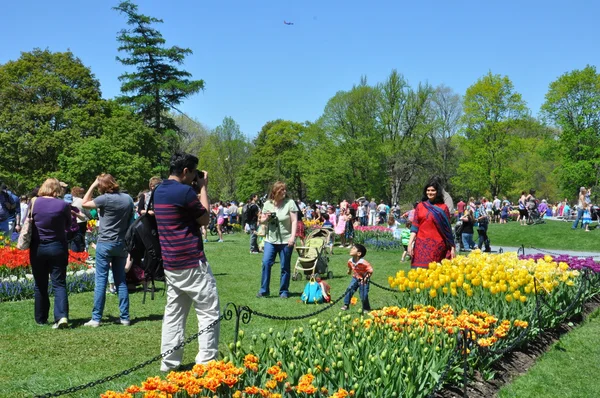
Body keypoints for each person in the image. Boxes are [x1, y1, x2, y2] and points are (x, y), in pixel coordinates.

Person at [153, 151, 220, 371]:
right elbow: (205, 219)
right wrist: (203, 188)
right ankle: (207, 361)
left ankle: (169, 362)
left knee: (174, 313)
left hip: (171, 262)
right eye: (193, 173)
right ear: (185, 171)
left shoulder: (158, 190)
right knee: (208, 310)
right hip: (191, 261)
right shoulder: (185, 193)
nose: (195, 177)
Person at [82, 173, 135, 327]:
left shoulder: (104, 199)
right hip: (121, 244)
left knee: (101, 281)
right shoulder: (128, 198)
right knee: (121, 281)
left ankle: (96, 318)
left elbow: (85, 203)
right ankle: (125, 317)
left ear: (102, 186)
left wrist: (92, 185)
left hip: (105, 243)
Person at [29, 178, 71, 328]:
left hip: (38, 247)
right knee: (59, 283)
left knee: (40, 284)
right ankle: (61, 317)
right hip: (58, 246)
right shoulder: (63, 205)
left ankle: (40, 318)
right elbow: (68, 225)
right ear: (57, 189)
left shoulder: (34, 202)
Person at [257, 181, 298, 299]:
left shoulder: (290, 203)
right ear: (275, 192)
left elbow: (294, 221)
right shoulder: (267, 204)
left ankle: (284, 291)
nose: (284, 192)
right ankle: (264, 290)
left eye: (285, 189)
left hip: (286, 240)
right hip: (271, 240)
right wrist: (267, 218)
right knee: (266, 263)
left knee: (285, 266)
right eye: (282, 190)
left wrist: (292, 237)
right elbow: (262, 221)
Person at [407, 179, 455, 268]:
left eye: (433, 190)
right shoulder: (420, 206)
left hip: (437, 247)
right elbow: (415, 227)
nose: (430, 192)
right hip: (420, 246)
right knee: (419, 275)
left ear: (437, 192)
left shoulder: (443, 208)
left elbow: (447, 230)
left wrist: (452, 247)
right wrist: (410, 243)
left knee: (434, 275)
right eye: (428, 190)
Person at [340, 244, 372, 313]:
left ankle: (366, 308)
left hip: (363, 280)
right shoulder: (350, 261)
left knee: (363, 294)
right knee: (349, 289)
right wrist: (349, 270)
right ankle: (346, 305)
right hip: (355, 278)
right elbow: (350, 266)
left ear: (359, 253)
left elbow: (370, 271)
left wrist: (366, 277)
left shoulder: (364, 263)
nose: (351, 249)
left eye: (353, 248)